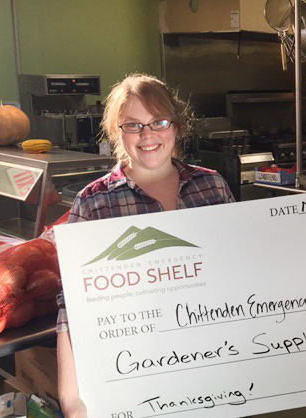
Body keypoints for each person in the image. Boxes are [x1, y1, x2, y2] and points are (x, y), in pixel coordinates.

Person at [55, 73, 234, 418]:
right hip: (135, 374)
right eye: (133, 125)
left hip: (214, 366)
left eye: (158, 122)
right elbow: (71, 304)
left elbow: (239, 273)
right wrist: (72, 398)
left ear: (177, 126)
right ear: (117, 133)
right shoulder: (93, 203)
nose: (148, 135)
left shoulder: (211, 187)